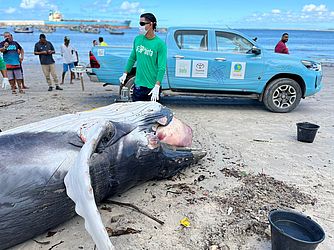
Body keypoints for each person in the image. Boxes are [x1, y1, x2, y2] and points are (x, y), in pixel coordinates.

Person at [119, 13, 167, 102]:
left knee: (152, 115)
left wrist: (157, 85)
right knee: (138, 114)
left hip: (152, 87)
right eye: (139, 23)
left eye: (142, 24)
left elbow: (161, 67)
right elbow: (132, 58)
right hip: (138, 86)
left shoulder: (160, 44)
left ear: (151, 24)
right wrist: (125, 73)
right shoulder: (137, 39)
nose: (140, 26)